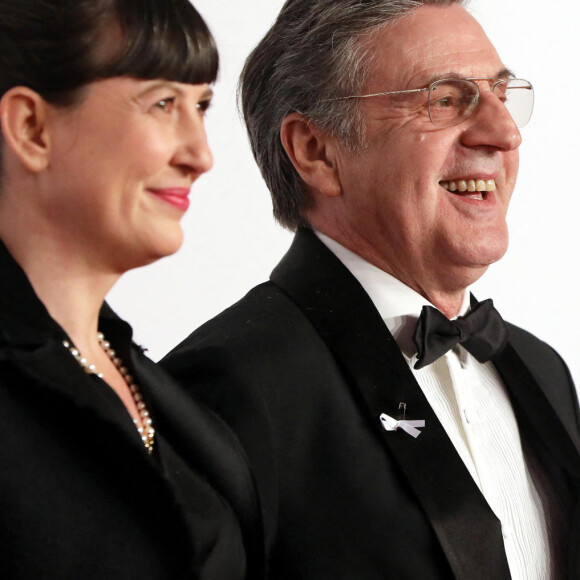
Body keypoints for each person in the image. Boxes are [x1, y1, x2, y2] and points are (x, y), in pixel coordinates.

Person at [162, 0, 580, 578]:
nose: (504, 132)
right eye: (444, 99)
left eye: (502, 96)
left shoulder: (542, 371)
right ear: (316, 150)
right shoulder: (225, 389)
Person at [0, 0, 264, 578]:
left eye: (201, 107)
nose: (201, 156)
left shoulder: (154, 384)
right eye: (164, 103)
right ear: (31, 128)